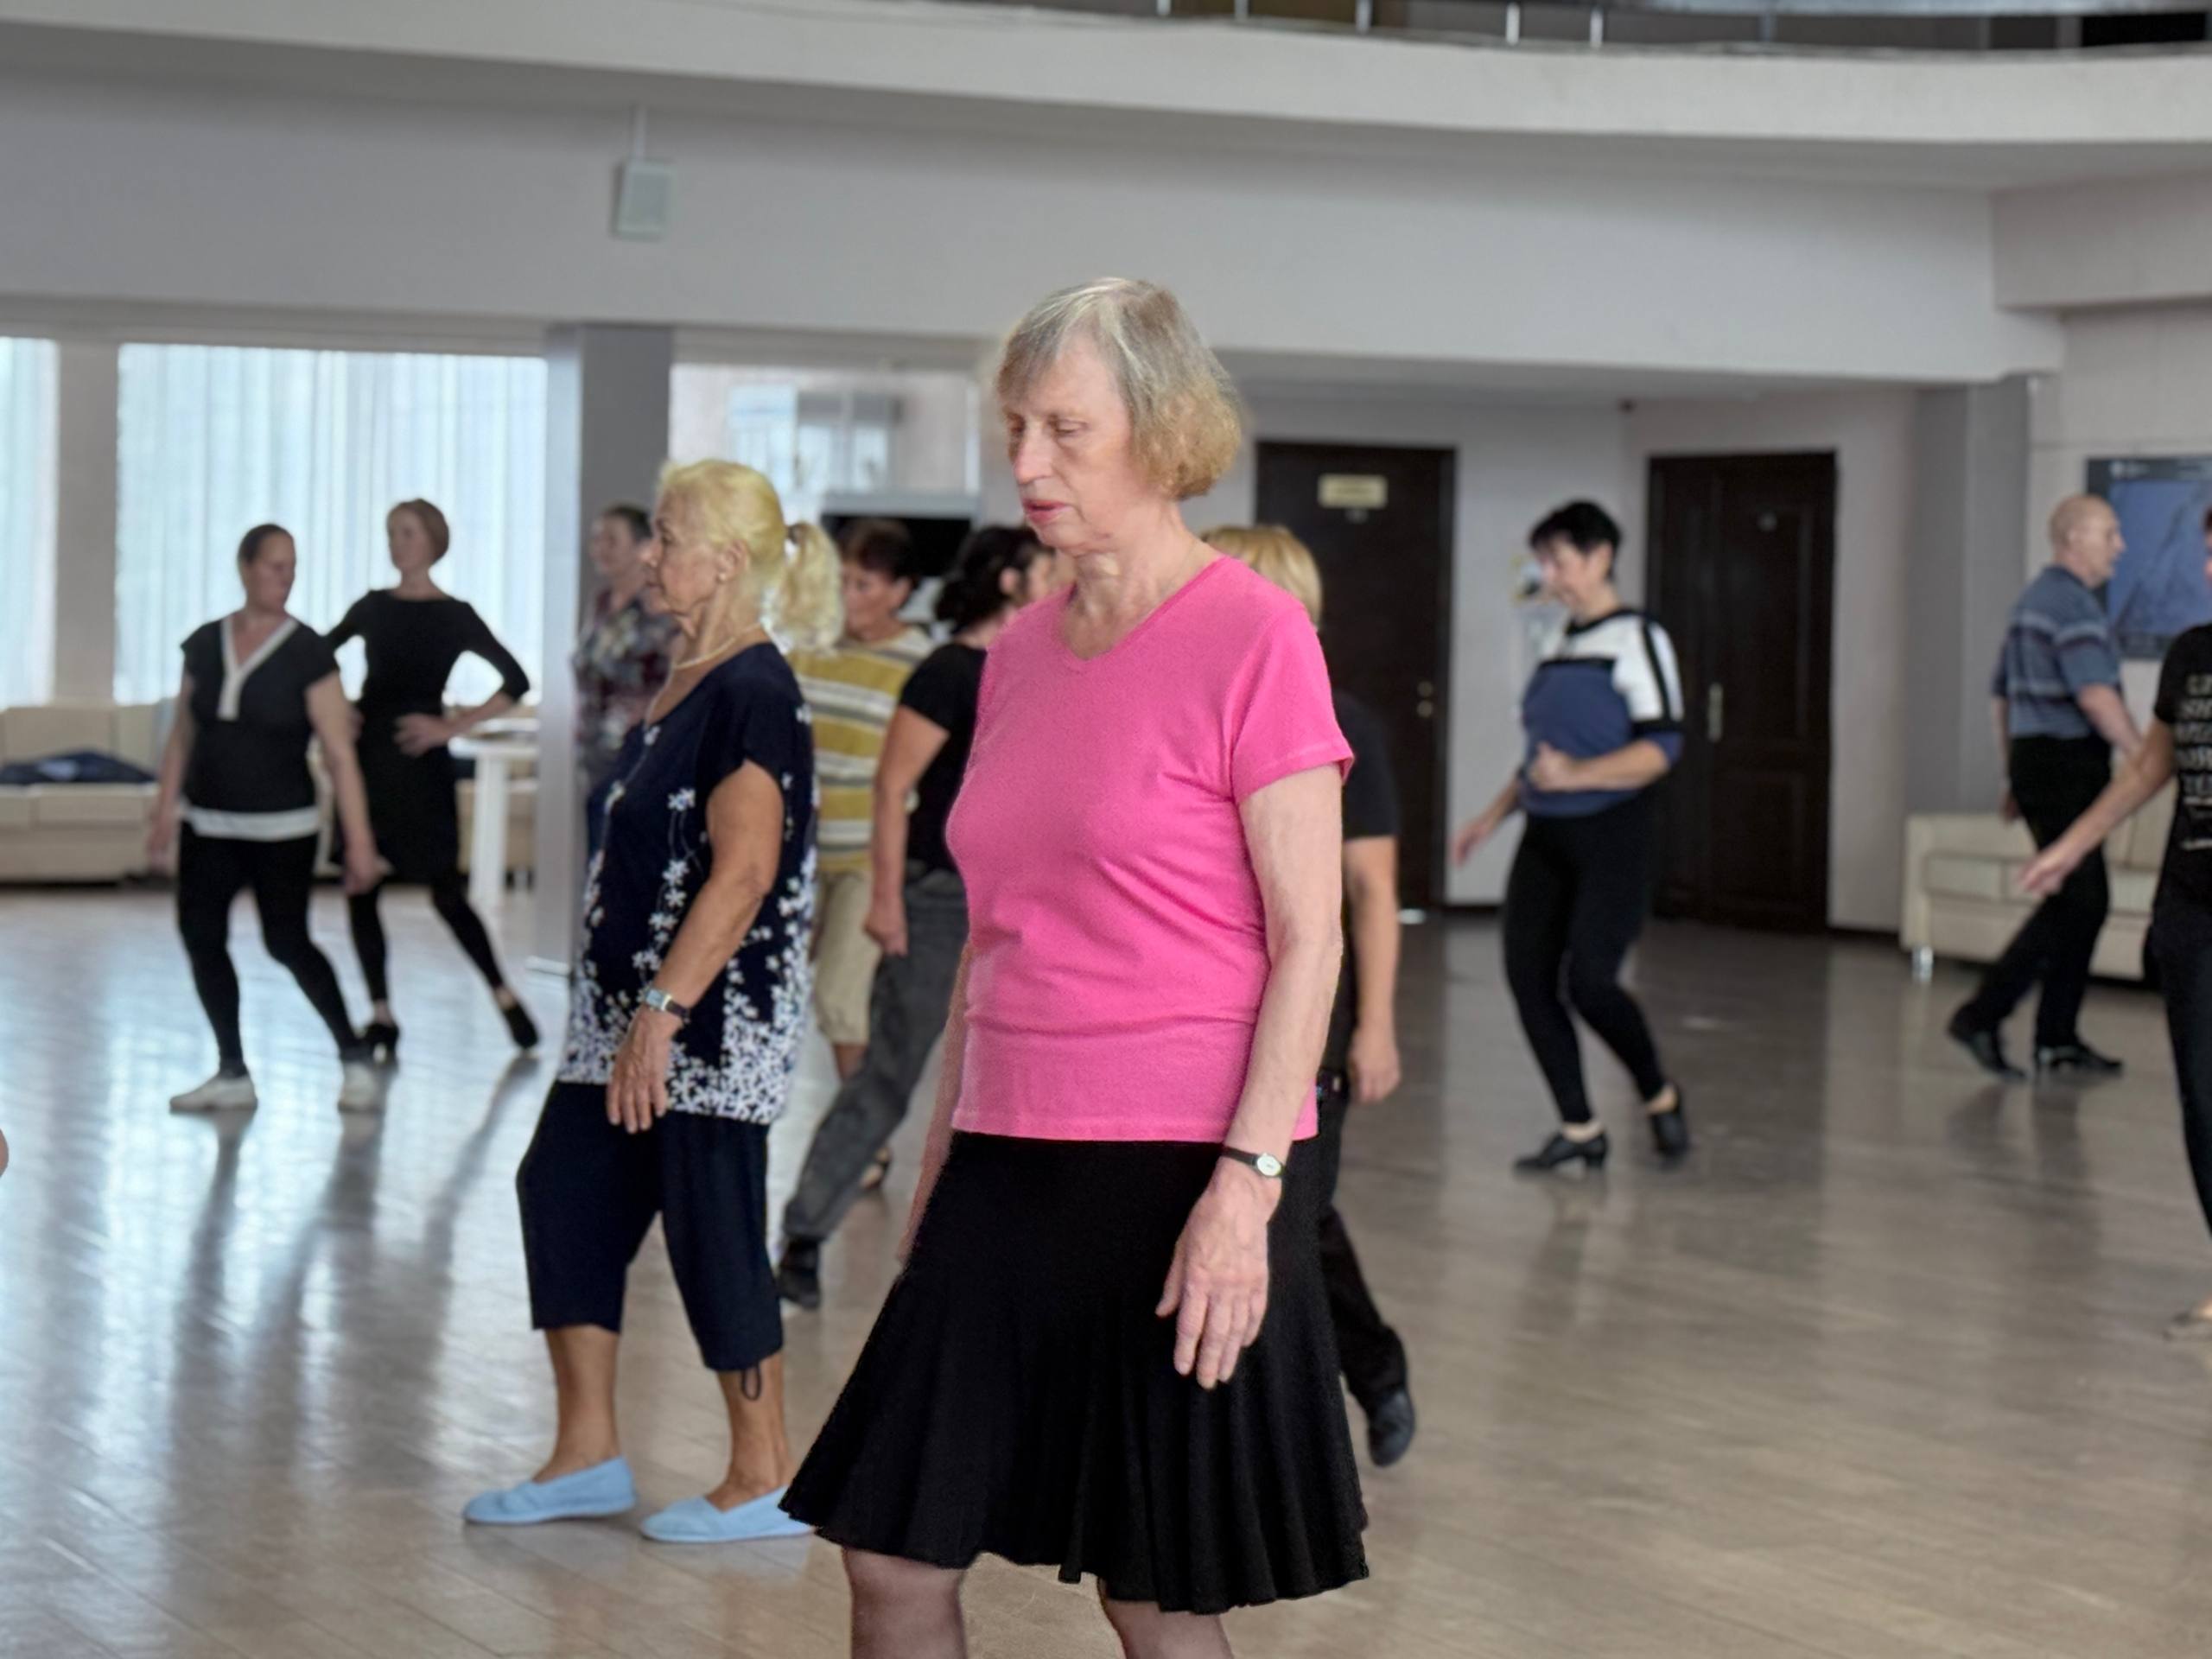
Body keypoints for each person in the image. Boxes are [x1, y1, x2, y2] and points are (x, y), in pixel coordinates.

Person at [785, 278, 1368, 1655]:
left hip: (1182, 1162)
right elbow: (996, 935)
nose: (1029, 462)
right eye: (1016, 428)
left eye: (1066, 428)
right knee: (892, 1553)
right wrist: (943, 1149)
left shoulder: (1255, 635)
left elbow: (1311, 938)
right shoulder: (1021, 655)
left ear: (1160, 433)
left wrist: (1247, 1189)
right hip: (1006, 1151)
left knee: (1151, 1592)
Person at [463, 459, 838, 1542]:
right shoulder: (686, 676)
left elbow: (745, 872)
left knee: (712, 1221)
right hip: (621, 1018)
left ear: (725, 560)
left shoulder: (754, 692)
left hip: (707, 1022)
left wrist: (663, 1014)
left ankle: (764, 1474)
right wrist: (627, 1015)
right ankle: (586, 1456)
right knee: (563, 1190)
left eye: (667, 536)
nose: (649, 553)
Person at [775, 525, 1071, 1310]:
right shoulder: (949, 671)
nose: (1061, 578)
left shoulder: (1045, 665)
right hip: (939, 896)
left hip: (1023, 901)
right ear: (1010, 580)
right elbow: (891, 786)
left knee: (1022, 1079)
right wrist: (885, 898)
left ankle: (1006, 1258)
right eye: (1047, 566)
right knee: (891, 1071)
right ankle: (805, 1233)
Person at [1206, 523, 1415, 1469]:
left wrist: (1375, 1027)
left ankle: (1370, 1373)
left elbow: (1370, 889)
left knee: (1294, 1213)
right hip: (1212, 1010)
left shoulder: (1342, 719)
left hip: (1310, 1020)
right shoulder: (1200, 701)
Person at [1452, 500, 1688, 1173]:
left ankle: (1658, 1093)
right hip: (1545, 835)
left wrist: (1579, 775)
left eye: (1559, 561)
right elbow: (1541, 756)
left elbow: (1663, 748)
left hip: (1611, 833)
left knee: (1590, 982)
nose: (1550, 576)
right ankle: (1580, 1127)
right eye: (1544, 563)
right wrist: (1491, 817)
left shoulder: (1638, 638)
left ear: (1601, 557)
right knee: (1528, 977)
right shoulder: (1559, 642)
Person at [2018, 524, 2212, 1335]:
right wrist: (2069, 848)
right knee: (2204, 1098)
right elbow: (2148, 768)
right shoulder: (2191, 655)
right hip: (2194, 907)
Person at [147, 524, 384, 1113]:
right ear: (246, 567)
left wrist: (359, 841)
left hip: (283, 829)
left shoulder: (309, 652)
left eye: (292, 567)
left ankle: (354, 1056)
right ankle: (231, 1070)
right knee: (201, 937)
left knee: (288, 942)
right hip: (208, 823)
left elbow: (339, 753)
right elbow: (183, 736)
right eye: (276, 565)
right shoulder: (204, 644)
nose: (286, 577)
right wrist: (164, 810)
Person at [327, 499, 538, 1062]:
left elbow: (516, 679)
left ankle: (502, 993)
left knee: (446, 891)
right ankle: (381, 1013)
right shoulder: (372, 606)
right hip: (369, 760)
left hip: (422, 766)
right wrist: (339, 710)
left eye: (407, 533)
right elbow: (316, 658)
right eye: (391, 533)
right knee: (361, 884)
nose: (397, 543)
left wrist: (451, 727)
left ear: (432, 542)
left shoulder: (454, 614)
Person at [1948, 494, 2140, 1082]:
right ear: (2074, 538)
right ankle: (1984, 1016)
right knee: (2078, 900)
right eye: (2109, 534)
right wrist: (2144, 759)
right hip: (2065, 764)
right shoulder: (2070, 605)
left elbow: (2001, 696)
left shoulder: (2032, 602)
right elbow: (2095, 697)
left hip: (2040, 762)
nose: (2119, 546)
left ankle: (2056, 1038)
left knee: (2081, 902)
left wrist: (2013, 772)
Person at [789, 520, 932, 1081]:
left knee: (840, 1001)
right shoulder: (809, 649)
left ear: (899, 591)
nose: (847, 597)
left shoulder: (919, 664)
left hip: (866, 857)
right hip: (797, 853)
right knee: (773, 987)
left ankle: (861, 1126)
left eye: (864, 585)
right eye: (840, 582)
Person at [574, 502, 678, 860]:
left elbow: (679, 676)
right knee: (598, 858)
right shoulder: (601, 603)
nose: (600, 548)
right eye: (597, 539)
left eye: (612, 540)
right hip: (594, 755)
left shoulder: (659, 608)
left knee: (625, 860)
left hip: (639, 756)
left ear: (642, 547)